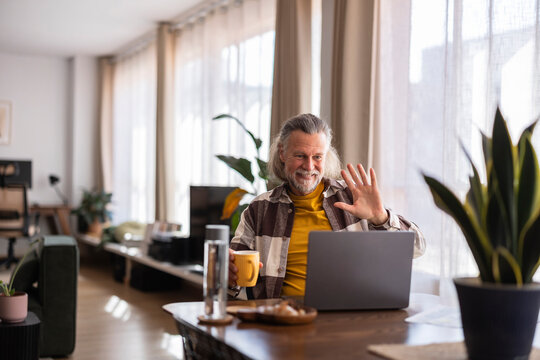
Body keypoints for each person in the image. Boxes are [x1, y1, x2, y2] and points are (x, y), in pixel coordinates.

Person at [228, 113, 425, 299]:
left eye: (317, 157)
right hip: (283, 322)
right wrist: (227, 273)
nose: (309, 166)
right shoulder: (259, 209)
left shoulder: (353, 197)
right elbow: (232, 284)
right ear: (282, 152)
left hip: (346, 320)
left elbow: (417, 248)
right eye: (300, 156)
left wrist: (380, 217)